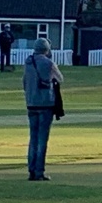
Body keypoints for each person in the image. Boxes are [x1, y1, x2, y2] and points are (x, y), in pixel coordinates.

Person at [23, 37, 63, 181]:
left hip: (31, 103)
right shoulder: (48, 63)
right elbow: (60, 78)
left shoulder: (28, 62)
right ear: (47, 49)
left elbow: (24, 82)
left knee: (33, 138)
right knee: (42, 140)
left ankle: (31, 170)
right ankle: (39, 171)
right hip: (45, 103)